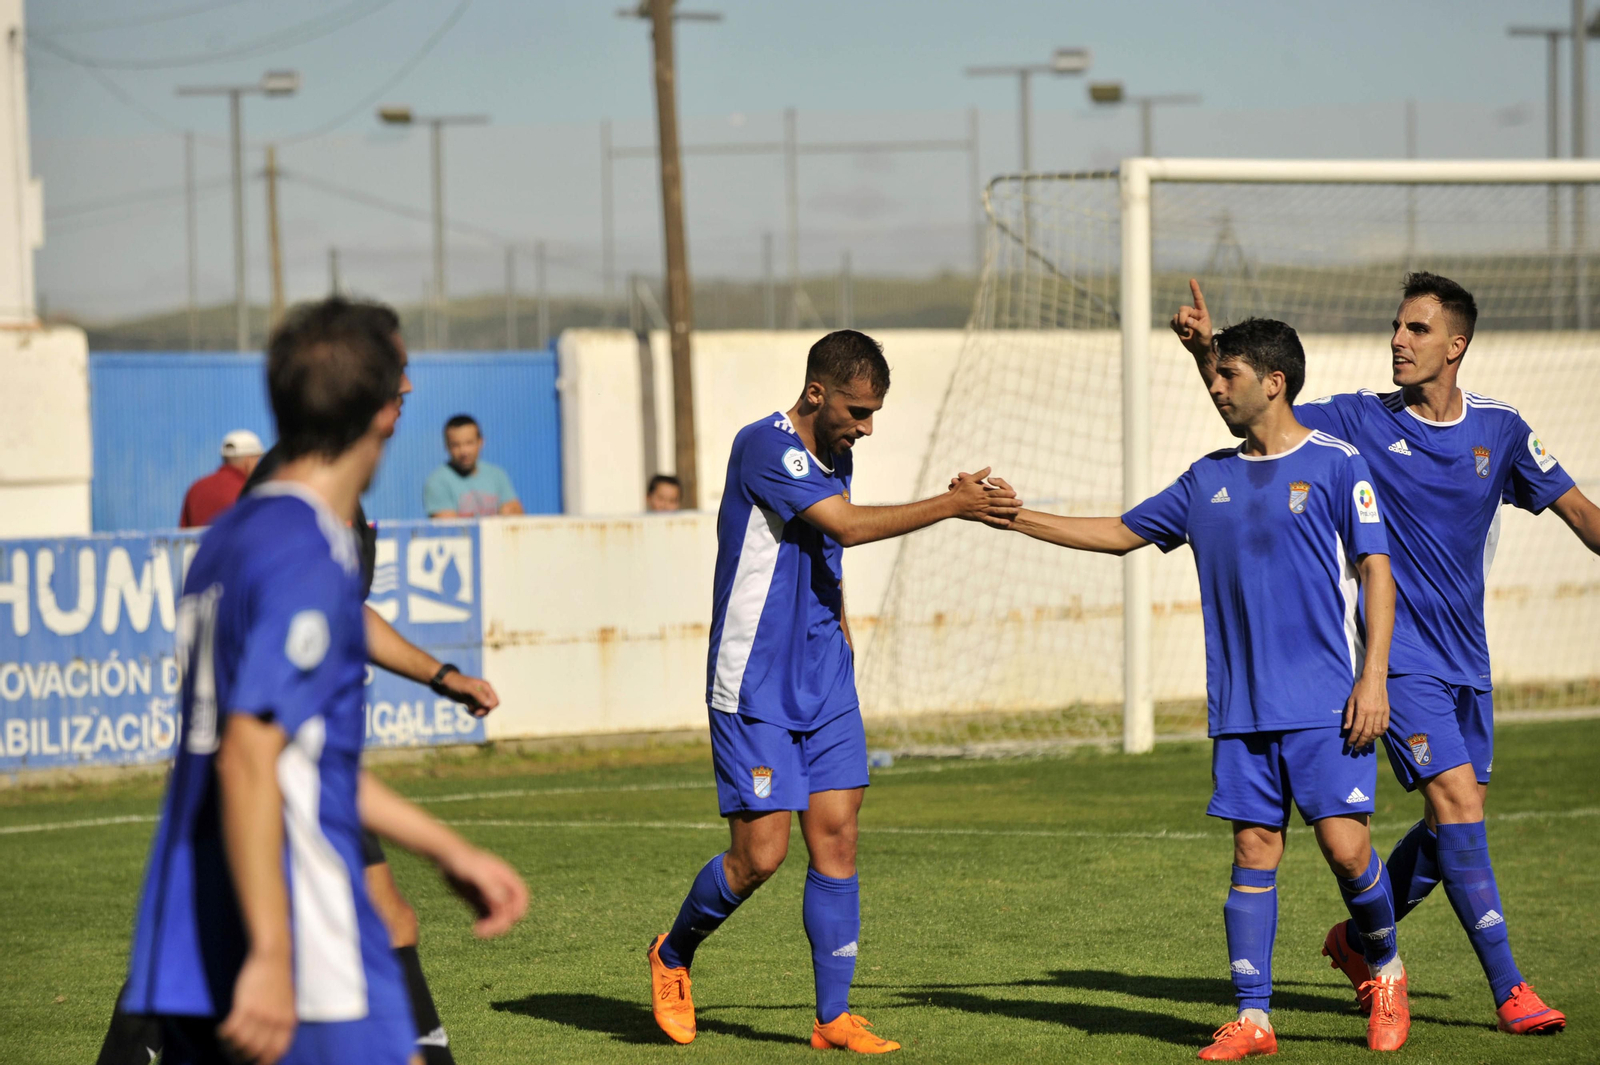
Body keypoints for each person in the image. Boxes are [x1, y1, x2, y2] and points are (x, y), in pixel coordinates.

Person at [1172, 274, 1597, 1035]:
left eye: (1417, 330)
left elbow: (1581, 515)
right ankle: (1510, 989)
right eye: (1396, 327)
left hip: (1469, 657)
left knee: (1451, 827)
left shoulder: (1500, 430)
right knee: (1457, 803)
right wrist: (1209, 350)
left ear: (1456, 345)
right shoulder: (1360, 421)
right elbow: (1258, 411)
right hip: (1394, 658)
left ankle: (1355, 938)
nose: (1398, 340)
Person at [118, 297, 528, 1065]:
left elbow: (300, 754)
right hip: (296, 917)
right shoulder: (304, 550)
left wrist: (446, 849)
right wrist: (274, 951)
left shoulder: (232, 536)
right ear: (384, 413)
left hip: (200, 916)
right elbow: (250, 753)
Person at [989, 318, 1409, 1058]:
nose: (1215, 387)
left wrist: (1373, 677)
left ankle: (1385, 969)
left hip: (1325, 703)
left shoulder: (1340, 465)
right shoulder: (1204, 477)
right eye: (1215, 375)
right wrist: (1014, 517)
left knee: (1348, 850)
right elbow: (1119, 531)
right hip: (1241, 708)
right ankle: (1254, 1018)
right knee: (1253, 850)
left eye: (1230, 375)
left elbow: (1378, 571)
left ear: (1273, 383)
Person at [646, 329, 1019, 1054]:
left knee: (838, 836)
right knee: (760, 855)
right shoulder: (765, 445)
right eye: (857, 409)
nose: (866, 426)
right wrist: (951, 505)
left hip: (826, 676)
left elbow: (818, 551)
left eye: (874, 411)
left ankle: (832, 1017)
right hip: (754, 679)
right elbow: (843, 527)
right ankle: (672, 953)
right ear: (817, 392)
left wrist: (840, 621)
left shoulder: (836, 449)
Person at [424, 415, 523, 518]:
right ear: (446, 446)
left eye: (469, 443)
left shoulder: (497, 475)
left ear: (481, 442)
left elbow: (516, 516)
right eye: (456, 445)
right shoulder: (437, 482)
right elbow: (449, 529)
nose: (464, 451)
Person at [180, 429, 264, 528]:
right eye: (257, 459)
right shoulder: (250, 492)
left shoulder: (195, 488)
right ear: (248, 461)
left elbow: (183, 536)